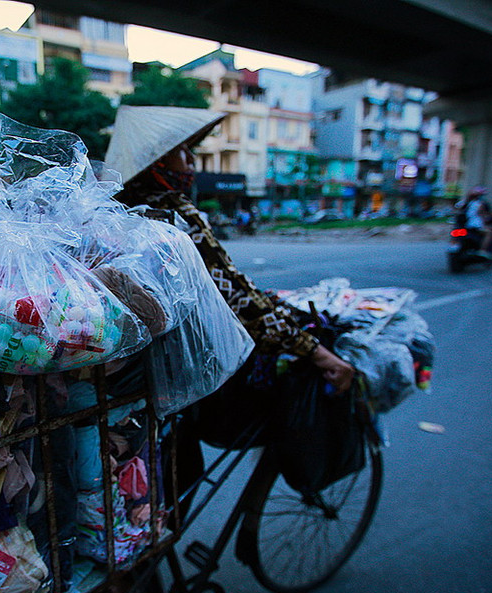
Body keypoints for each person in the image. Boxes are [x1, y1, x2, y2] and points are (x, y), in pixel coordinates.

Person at [105, 106, 355, 515]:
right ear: (156, 164)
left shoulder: (116, 212)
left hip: (122, 379)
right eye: (184, 153)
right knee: (178, 478)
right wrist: (318, 352)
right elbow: (237, 297)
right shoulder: (172, 215)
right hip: (167, 382)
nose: (192, 162)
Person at [458, 186, 492, 258]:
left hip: (464, 226)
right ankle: (482, 250)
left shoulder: (463, 203)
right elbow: (483, 215)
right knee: (490, 232)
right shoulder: (480, 204)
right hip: (475, 226)